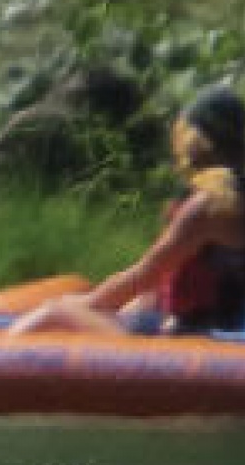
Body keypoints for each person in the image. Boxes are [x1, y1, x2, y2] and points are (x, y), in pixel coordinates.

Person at [13, 84, 245, 338]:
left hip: (194, 341)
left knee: (54, 313)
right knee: (130, 306)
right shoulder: (230, 194)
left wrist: (85, 303)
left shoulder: (207, 206)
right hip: (223, 328)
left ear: (195, 141)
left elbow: (145, 274)